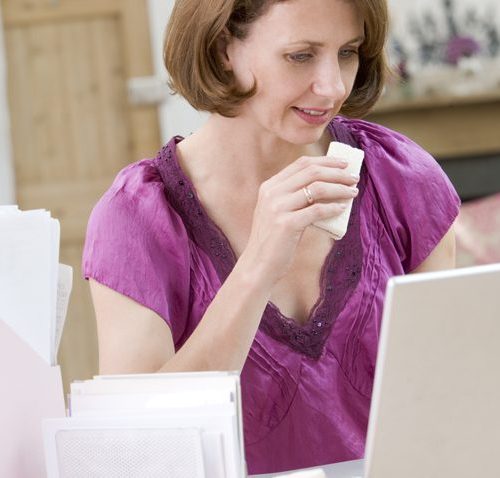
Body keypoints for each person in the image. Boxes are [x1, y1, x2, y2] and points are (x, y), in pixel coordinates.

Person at [82, 0, 460, 474]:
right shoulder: (136, 219)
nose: (333, 86)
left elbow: (451, 396)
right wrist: (258, 266)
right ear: (223, 49)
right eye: (300, 55)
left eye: (347, 52)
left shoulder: (401, 177)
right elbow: (136, 453)